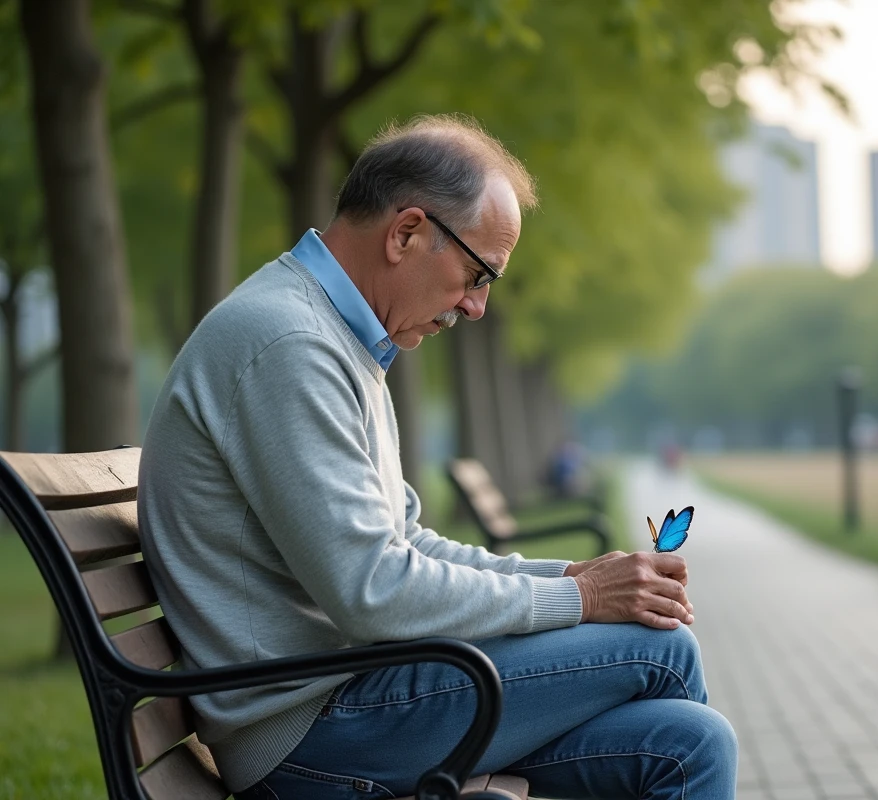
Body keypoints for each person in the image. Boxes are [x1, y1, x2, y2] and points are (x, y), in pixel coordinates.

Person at [138, 114, 736, 800]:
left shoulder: (335, 341)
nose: (478, 306)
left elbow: (405, 543)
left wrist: (569, 573)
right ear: (406, 233)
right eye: (478, 273)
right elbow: (374, 591)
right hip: (313, 733)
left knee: (692, 743)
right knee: (658, 645)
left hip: (360, 696)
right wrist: (578, 598)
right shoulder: (290, 345)